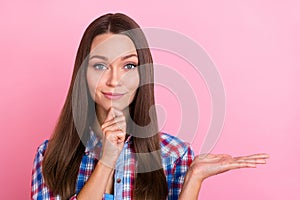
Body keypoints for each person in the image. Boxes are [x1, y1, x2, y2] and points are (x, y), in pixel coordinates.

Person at [31, 13, 269, 200]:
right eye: (100, 66)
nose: (115, 80)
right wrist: (107, 160)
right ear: (83, 73)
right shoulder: (51, 156)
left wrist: (194, 179)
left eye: (129, 66)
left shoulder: (174, 155)